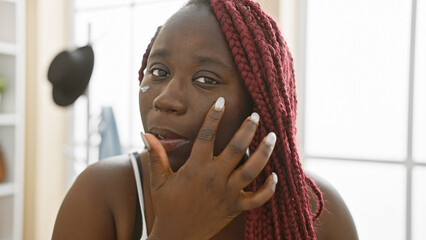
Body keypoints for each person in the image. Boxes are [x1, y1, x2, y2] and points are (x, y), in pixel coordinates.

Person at [52, 0, 358, 239]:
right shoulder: (102, 193)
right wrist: (173, 234)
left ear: (257, 104)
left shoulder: (315, 210)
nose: (165, 99)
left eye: (206, 79)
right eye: (159, 72)